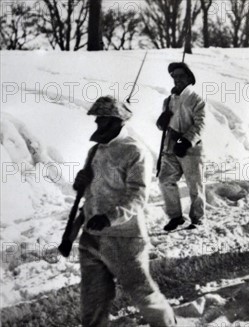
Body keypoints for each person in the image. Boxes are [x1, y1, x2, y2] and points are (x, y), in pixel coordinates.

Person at [73, 96, 176, 326]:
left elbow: (138, 195)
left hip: (124, 238)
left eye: (102, 120)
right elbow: (94, 191)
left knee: (143, 293)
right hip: (92, 238)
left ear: (116, 121)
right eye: (97, 120)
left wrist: (110, 218)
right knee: (92, 303)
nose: (98, 124)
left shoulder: (135, 152)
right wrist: (82, 182)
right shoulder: (95, 151)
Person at [156, 62, 206, 231]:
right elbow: (163, 126)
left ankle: (198, 219)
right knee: (165, 180)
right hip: (171, 147)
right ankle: (176, 216)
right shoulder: (168, 100)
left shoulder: (196, 99)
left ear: (189, 78)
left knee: (195, 185)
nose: (177, 79)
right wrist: (162, 121)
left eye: (181, 76)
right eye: (174, 76)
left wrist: (185, 140)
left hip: (190, 149)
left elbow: (200, 124)